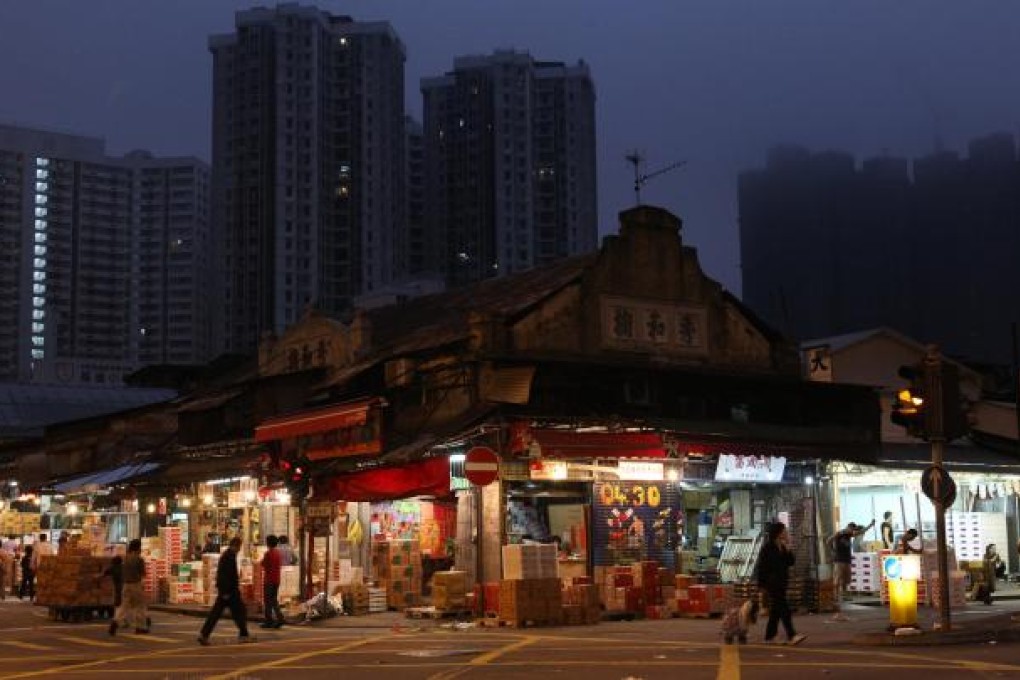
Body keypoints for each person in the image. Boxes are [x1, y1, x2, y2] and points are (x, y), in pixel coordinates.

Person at [757, 522, 807, 646]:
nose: (786, 532)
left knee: (776, 611)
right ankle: (792, 635)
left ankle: (769, 636)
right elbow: (761, 567)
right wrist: (761, 585)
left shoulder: (783, 546)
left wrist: (789, 550)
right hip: (772, 583)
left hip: (782, 582)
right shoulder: (767, 548)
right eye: (784, 530)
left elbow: (790, 562)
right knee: (784, 609)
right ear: (778, 533)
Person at [198, 537, 254, 645]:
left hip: (227, 591)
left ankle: (204, 634)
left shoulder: (228, 555)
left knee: (228, 613)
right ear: (236, 546)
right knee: (238, 612)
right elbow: (225, 575)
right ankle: (243, 635)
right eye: (239, 547)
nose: (239, 549)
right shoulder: (229, 556)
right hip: (229, 591)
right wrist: (225, 592)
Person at [827, 519, 874, 621]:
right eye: (851, 529)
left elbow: (860, 532)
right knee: (837, 579)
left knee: (847, 579)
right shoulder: (839, 534)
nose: (852, 532)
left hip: (847, 560)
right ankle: (835, 596)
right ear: (848, 527)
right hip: (839, 560)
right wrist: (832, 551)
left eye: (853, 530)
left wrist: (870, 525)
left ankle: (842, 593)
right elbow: (828, 540)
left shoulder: (849, 535)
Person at [110, 539, 149, 635]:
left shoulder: (125, 558)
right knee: (140, 606)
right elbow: (143, 573)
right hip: (136, 584)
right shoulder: (139, 559)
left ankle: (116, 621)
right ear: (138, 548)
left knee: (123, 605)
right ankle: (140, 627)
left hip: (126, 584)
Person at [260, 535, 285, 629]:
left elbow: (263, 564)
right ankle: (280, 618)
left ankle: (269, 621)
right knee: (274, 600)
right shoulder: (278, 553)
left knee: (267, 601)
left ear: (268, 543)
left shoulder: (268, 553)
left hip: (269, 580)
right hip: (276, 580)